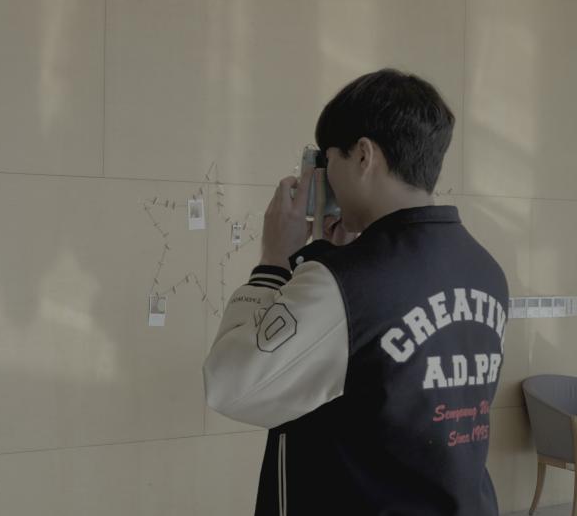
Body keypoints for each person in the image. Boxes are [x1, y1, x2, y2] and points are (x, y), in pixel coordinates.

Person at [203, 69, 508, 515]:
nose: (326, 178)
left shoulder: (342, 282)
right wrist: (340, 256)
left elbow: (228, 385)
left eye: (329, 161)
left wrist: (273, 262)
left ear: (363, 155)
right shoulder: (486, 270)